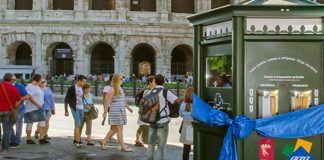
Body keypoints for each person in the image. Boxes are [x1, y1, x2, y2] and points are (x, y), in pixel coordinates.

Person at [147, 74, 184, 160]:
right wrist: (185, 96)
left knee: (150, 145)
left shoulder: (150, 92)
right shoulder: (165, 91)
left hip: (152, 120)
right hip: (162, 121)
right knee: (160, 147)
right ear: (163, 82)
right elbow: (176, 100)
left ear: (155, 81)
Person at [100, 74, 133, 151]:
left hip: (120, 110)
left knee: (115, 129)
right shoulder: (112, 89)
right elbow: (107, 101)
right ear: (117, 80)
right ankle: (123, 147)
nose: (122, 80)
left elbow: (122, 100)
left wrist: (128, 108)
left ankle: (104, 141)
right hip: (116, 111)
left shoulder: (119, 88)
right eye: (121, 79)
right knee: (119, 129)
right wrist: (105, 112)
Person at [24, 74, 49, 144]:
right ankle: (28, 139)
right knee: (30, 123)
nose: (42, 81)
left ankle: (41, 138)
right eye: (41, 79)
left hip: (40, 107)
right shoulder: (29, 86)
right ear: (37, 80)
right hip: (31, 108)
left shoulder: (38, 86)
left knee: (42, 122)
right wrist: (37, 104)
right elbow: (29, 96)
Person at [0, 73, 21, 152]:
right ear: (11, 80)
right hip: (8, 111)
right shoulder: (14, 88)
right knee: (7, 130)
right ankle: (5, 148)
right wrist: (15, 108)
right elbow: (18, 101)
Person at [64, 75, 87, 147]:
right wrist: (66, 110)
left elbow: (81, 98)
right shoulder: (71, 88)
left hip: (81, 108)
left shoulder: (82, 88)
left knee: (79, 124)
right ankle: (78, 140)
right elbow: (66, 99)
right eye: (83, 82)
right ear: (79, 81)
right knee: (77, 123)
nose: (84, 83)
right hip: (74, 107)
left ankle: (75, 139)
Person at [10, 76, 31, 147]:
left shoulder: (19, 86)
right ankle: (13, 139)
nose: (13, 81)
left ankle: (17, 141)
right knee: (9, 125)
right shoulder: (6, 86)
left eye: (14, 79)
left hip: (20, 109)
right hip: (9, 109)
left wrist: (19, 99)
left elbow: (27, 96)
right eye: (11, 79)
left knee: (18, 125)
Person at [134, 76, 155, 147]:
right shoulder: (147, 91)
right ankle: (137, 140)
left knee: (150, 126)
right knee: (142, 126)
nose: (155, 83)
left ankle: (149, 140)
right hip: (145, 112)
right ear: (150, 82)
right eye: (154, 81)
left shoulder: (152, 90)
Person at [179, 87, 194, 160]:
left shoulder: (183, 104)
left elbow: (181, 114)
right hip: (194, 127)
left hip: (185, 126)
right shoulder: (196, 105)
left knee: (186, 149)